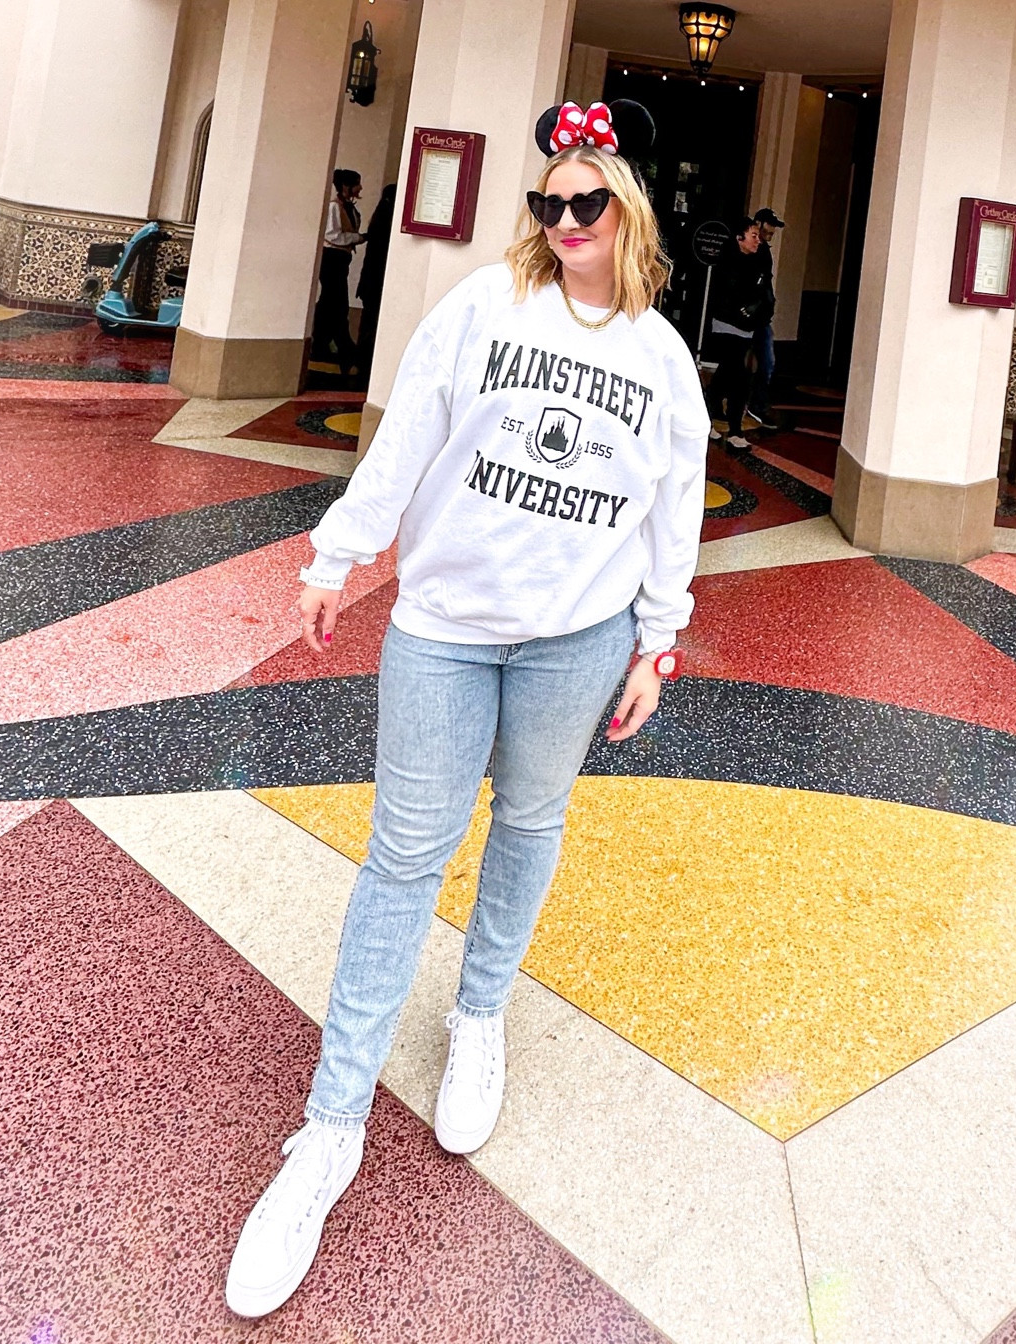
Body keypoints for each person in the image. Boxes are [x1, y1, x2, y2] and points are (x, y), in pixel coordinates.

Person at [224, 97, 709, 1321]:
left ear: (625, 210)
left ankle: (480, 1012)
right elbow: (403, 441)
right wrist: (339, 553)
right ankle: (330, 1124)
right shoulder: (483, 305)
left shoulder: (662, 357)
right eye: (549, 202)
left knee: (531, 822)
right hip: (442, 626)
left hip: (579, 640)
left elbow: (674, 509)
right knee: (404, 854)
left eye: (586, 201)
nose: (565, 218)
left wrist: (658, 641)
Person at [706, 216, 772, 451]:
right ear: (739, 238)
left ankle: (707, 417)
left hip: (746, 329)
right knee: (738, 377)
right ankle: (734, 431)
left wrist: (756, 312)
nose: (758, 240)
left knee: (727, 375)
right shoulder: (727, 263)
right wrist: (744, 310)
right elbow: (728, 298)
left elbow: (763, 293)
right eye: (753, 236)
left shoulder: (757, 262)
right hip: (728, 326)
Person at [312, 169, 366, 384]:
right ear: (345, 186)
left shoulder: (348, 207)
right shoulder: (334, 207)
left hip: (341, 259)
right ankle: (339, 344)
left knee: (330, 301)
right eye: (357, 184)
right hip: (331, 258)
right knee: (336, 302)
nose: (360, 188)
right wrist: (358, 238)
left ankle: (323, 341)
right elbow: (333, 235)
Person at [746, 207, 784, 427]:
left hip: (759, 316)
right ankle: (753, 405)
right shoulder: (754, 251)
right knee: (754, 363)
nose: (770, 234)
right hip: (751, 316)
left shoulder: (763, 252)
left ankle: (755, 405)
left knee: (765, 363)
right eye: (768, 229)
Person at [354, 181, 395, 380]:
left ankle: (361, 361)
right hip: (378, 282)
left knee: (368, 321)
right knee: (373, 322)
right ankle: (366, 362)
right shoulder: (388, 225)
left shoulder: (377, 220)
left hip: (369, 281)